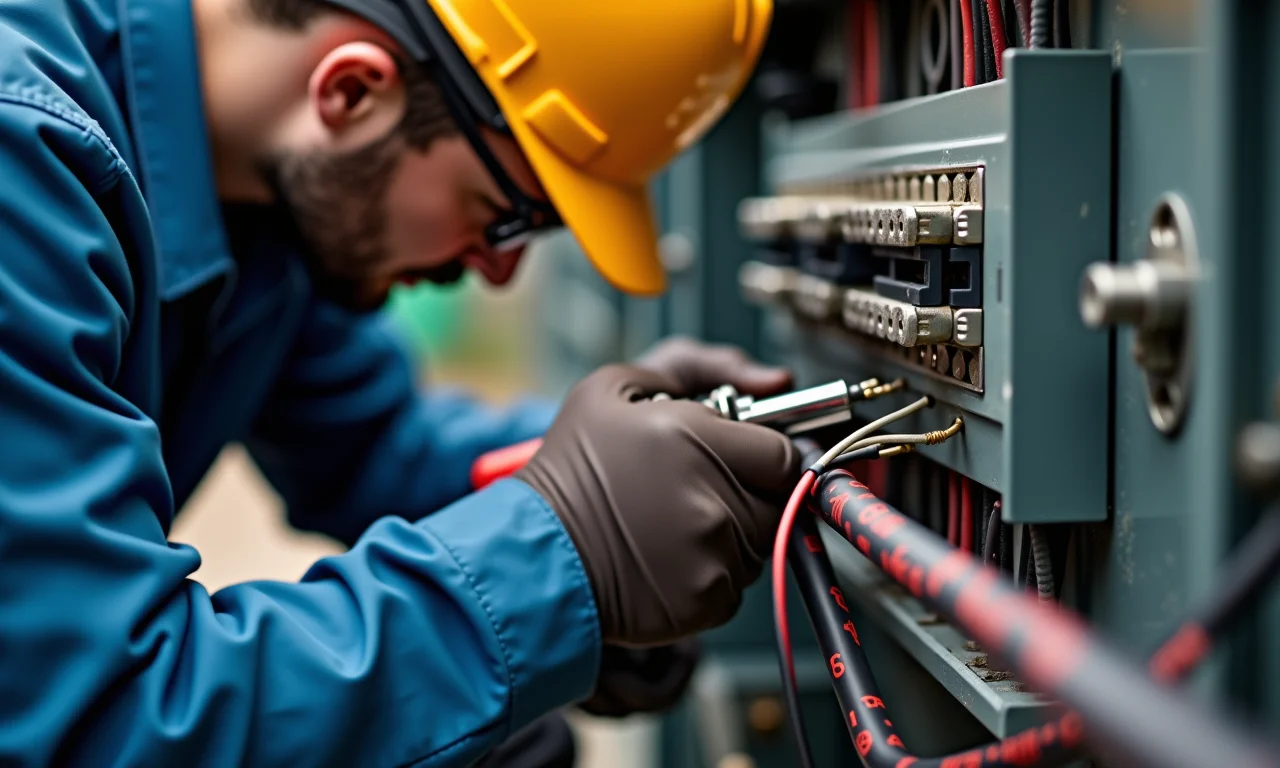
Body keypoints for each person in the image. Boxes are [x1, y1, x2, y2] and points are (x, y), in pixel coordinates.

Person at [0, 0, 801, 764]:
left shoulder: (256, 197)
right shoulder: (23, 170)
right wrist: (568, 558)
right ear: (352, 93)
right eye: (506, 214)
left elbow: (377, 446)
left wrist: (631, 482)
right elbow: (106, 721)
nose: (498, 270)